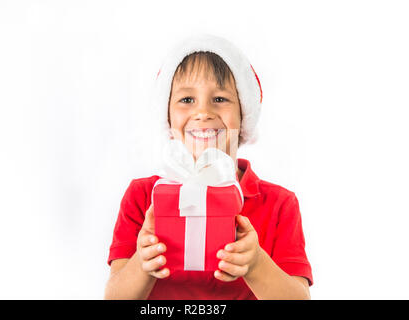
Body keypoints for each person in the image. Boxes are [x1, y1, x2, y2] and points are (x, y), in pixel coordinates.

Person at [104, 34, 313, 300]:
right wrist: (142, 263)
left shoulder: (279, 204)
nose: (203, 112)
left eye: (220, 99)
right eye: (187, 100)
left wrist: (257, 265)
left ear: (244, 114)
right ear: (167, 115)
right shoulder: (143, 196)